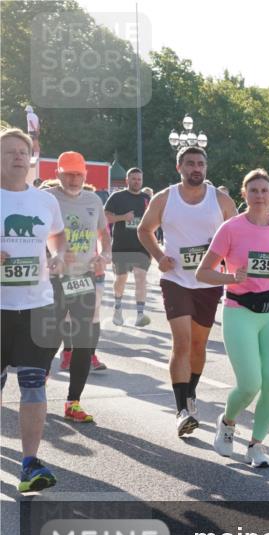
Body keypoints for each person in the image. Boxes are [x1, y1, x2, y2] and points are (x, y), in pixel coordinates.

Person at [196, 169, 269, 468]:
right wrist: (230, 276)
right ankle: (227, 422)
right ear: (244, 195)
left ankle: (256, 445)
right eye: (253, 190)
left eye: (264, 190)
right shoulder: (231, 228)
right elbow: (203, 272)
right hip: (240, 311)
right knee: (250, 383)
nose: (259, 195)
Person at [138, 146, 237, 436]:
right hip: (176, 280)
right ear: (179, 167)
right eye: (191, 163)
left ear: (206, 169)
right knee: (182, 343)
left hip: (208, 282)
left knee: (198, 345)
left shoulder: (220, 200)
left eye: (201, 164)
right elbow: (144, 230)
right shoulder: (165, 197)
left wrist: (231, 274)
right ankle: (182, 409)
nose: (197, 168)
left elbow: (235, 236)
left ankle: (190, 393)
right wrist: (159, 257)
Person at [1, 128, 67, 491]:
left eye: (22, 152)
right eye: (9, 152)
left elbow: (57, 235)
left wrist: (57, 255)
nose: (17, 157)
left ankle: (29, 465)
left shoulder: (45, 201)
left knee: (33, 386)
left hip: (38, 308)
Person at [48, 151, 112, 423]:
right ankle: (33, 390)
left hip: (83, 278)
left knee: (85, 342)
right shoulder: (47, 198)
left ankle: (73, 402)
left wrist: (104, 256)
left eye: (78, 174)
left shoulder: (93, 200)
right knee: (45, 339)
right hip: (51, 280)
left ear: (85, 175)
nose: (73, 179)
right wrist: (50, 256)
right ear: (58, 174)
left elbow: (104, 237)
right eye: (68, 174)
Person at [105, 167, 152, 327]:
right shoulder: (117, 197)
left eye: (139, 179)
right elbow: (106, 218)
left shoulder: (147, 198)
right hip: (121, 246)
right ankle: (117, 308)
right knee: (121, 279)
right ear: (127, 180)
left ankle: (140, 314)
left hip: (142, 247)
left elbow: (154, 220)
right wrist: (123, 217)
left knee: (141, 278)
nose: (136, 182)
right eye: (133, 179)